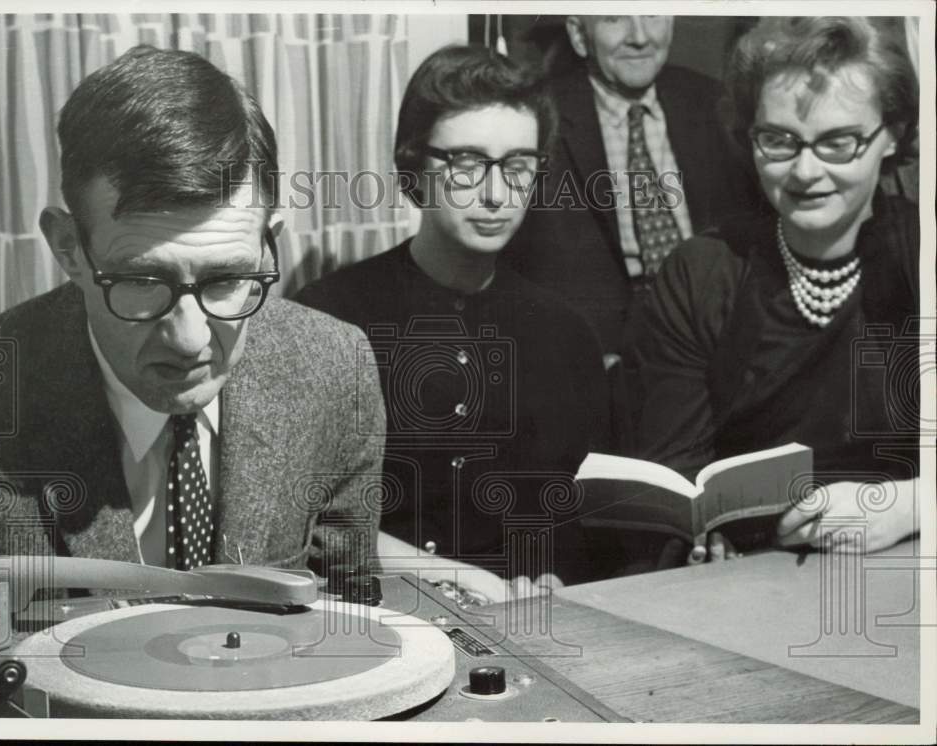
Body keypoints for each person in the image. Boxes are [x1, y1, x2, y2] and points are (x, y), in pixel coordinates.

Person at [0, 46, 386, 579]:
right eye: (141, 280)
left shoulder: (338, 368)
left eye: (227, 279)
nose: (188, 339)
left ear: (270, 246)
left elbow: (349, 615)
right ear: (69, 248)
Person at [296, 45, 608, 600]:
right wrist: (458, 577)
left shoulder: (566, 334)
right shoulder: (329, 318)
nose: (494, 194)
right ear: (414, 166)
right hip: (374, 616)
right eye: (466, 163)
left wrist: (555, 576)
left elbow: (571, 514)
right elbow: (304, 516)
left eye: (517, 166)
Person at [627, 16, 920, 569]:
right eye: (779, 141)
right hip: (750, 582)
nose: (806, 171)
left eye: (838, 142)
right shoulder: (701, 273)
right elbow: (673, 483)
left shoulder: (922, 258)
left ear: (893, 135)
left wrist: (912, 505)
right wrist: (700, 541)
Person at [501, 15, 759, 362]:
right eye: (615, 18)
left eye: (652, 14)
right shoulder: (536, 120)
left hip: (715, 336)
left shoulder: (715, 103)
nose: (639, 37)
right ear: (579, 35)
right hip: (595, 357)